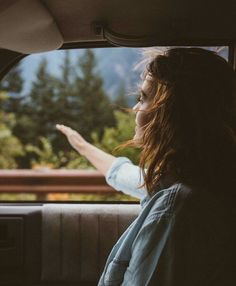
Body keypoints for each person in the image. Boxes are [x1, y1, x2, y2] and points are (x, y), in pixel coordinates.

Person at [56, 47, 236, 286]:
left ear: (173, 113)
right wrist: (82, 146)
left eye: (142, 98)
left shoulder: (178, 208)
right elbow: (122, 173)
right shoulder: (197, 184)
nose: (135, 109)